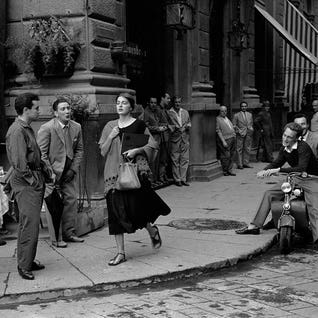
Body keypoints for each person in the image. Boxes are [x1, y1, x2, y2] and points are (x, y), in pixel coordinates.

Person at [98, 92, 171, 266]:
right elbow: (102, 151)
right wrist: (111, 136)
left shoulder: (138, 125)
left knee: (136, 210)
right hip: (113, 175)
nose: (120, 105)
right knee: (116, 214)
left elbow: (152, 144)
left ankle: (151, 229)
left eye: (124, 103)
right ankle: (120, 252)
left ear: (131, 107)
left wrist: (137, 151)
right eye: (118, 103)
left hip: (133, 173)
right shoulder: (110, 126)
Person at [236, 123, 318, 245]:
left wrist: (278, 170)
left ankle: (317, 238)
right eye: (285, 135)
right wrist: (264, 171)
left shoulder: (303, 147)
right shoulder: (284, 148)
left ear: (296, 138)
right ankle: (254, 226)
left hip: (312, 179)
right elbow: (277, 162)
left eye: (289, 137)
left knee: (314, 207)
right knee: (269, 194)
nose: (285, 139)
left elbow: (301, 168)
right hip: (294, 178)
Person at [6, 93, 46, 280]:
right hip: (26, 182)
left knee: (30, 224)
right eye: (36, 108)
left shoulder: (25, 128)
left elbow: (32, 154)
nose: (39, 111)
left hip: (32, 179)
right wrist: (33, 181)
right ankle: (24, 265)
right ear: (25, 110)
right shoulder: (17, 131)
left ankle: (28, 260)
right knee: (28, 225)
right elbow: (19, 163)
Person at [37, 97, 84, 248]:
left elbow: (80, 150)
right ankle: (56, 238)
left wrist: (73, 169)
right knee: (54, 205)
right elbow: (41, 154)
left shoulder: (76, 127)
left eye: (68, 108)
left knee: (70, 200)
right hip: (52, 173)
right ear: (56, 113)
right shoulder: (47, 128)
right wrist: (50, 173)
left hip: (68, 172)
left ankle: (69, 233)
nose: (67, 111)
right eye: (63, 109)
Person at [142, 97, 170, 183]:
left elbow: (163, 121)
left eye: (155, 103)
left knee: (158, 160)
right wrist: (157, 128)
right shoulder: (146, 112)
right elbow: (146, 126)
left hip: (159, 139)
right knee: (152, 161)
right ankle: (151, 180)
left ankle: (156, 179)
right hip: (151, 139)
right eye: (151, 103)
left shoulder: (157, 111)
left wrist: (163, 126)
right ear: (148, 103)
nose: (153, 104)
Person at [168, 96, 191, 186]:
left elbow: (189, 122)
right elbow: (169, 125)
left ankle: (183, 178)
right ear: (173, 103)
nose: (177, 104)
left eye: (179, 102)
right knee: (175, 159)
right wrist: (176, 128)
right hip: (175, 138)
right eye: (176, 102)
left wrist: (186, 126)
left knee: (185, 159)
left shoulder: (185, 112)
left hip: (185, 138)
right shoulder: (169, 113)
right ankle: (177, 179)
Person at [216, 106, 236, 176]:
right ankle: (225, 170)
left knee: (232, 155)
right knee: (226, 155)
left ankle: (230, 170)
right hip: (225, 139)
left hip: (232, 138)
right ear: (219, 111)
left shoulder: (227, 118)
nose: (224, 112)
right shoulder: (218, 119)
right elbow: (218, 131)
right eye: (222, 111)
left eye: (225, 111)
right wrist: (223, 141)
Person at [233, 101, 254, 169]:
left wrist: (251, 129)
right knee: (239, 149)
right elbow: (234, 125)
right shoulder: (236, 115)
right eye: (242, 106)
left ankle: (246, 163)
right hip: (240, 133)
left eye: (245, 106)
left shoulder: (250, 115)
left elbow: (251, 123)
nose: (244, 107)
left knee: (247, 148)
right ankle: (240, 164)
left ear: (247, 107)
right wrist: (238, 131)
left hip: (248, 133)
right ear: (240, 107)